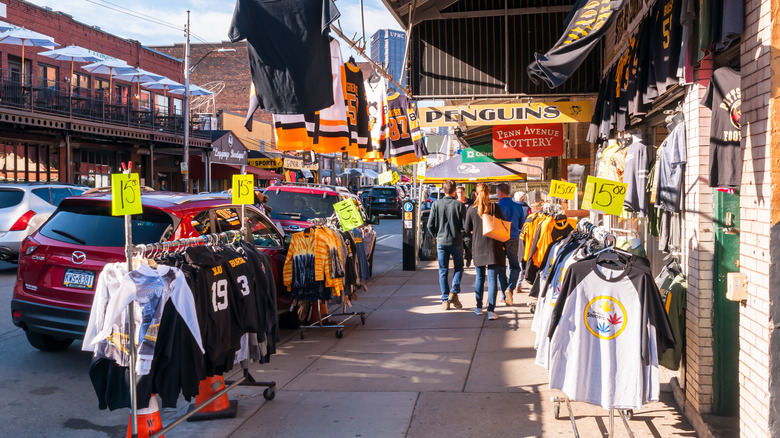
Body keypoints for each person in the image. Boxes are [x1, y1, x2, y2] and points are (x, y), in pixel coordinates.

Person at [464, 183, 507, 320]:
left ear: (476, 194)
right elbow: (502, 224)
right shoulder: (495, 207)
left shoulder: (471, 209)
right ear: (489, 193)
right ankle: (491, 310)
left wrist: (474, 230)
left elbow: (466, 229)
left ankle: (478, 307)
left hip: (478, 246)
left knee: (480, 278)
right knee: (492, 279)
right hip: (494, 247)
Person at [427, 180, 466, 310]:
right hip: (456, 241)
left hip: (441, 241)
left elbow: (430, 225)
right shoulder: (458, 205)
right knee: (459, 267)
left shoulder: (436, 204)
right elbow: (465, 226)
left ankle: (445, 300)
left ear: (444, 191)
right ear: (455, 190)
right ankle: (453, 292)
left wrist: (437, 236)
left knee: (443, 271)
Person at [496, 183, 526, 306]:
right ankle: (510, 289)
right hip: (513, 238)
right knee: (515, 266)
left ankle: (504, 296)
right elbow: (522, 225)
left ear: (500, 193)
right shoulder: (518, 206)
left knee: (500, 268)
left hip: (499, 239)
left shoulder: (497, 207)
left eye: (497, 193)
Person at [455, 186, 473, 267]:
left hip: (468, 229)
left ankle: (468, 259)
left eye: (461, 192)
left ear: (464, 192)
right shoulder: (455, 203)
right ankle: (459, 262)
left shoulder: (470, 202)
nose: (460, 194)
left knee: (468, 245)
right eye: (458, 192)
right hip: (458, 229)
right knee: (458, 247)